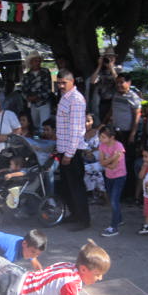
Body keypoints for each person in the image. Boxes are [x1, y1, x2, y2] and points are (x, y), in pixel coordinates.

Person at [56, 69, 91, 230]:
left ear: (72, 82)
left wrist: (69, 154)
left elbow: (76, 130)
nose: (61, 85)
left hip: (73, 151)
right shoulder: (65, 97)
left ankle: (83, 220)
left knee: (76, 187)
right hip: (63, 148)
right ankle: (75, 214)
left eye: (64, 82)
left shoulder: (76, 99)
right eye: (59, 82)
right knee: (66, 187)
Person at [105, 72, 142, 198]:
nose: (119, 85)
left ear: (129, 83)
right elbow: (111, 111)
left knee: (128, 163)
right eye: (118, 82)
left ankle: (129, 193)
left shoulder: (134, 97)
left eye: (122, 82)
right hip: (116, 133)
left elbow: (137, 116)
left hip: (128, 134)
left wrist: (132, 133)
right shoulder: (115, 95)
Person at [99, 125, 126, 237]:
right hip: (108, 176)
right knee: (112, 199)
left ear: (112, 137)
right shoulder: (102, 146)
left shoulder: (119, 146)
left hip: (119, 176)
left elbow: (114, 165)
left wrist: (107, 162)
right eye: (100, 136)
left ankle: (114, 227)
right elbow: (102, 162)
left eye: (103, 137)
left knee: (114, 200)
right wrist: (112, 158)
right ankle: (119, 219)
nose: (101, 139)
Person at [22, 51, 52, 131]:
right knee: (35, 125)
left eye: (39, 61)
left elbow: (48, 88)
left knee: (45, 125)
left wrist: (38, 96)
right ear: (31, 62)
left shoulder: (45, 72)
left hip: (44, 103)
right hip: (33, 105)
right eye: (35, 61)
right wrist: (28, 98)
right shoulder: (26, 76)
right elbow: (24, 90)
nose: (38, 63)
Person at [90, 46, 119, 123]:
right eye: (107, 57)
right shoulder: (101, 71)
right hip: (103, 102)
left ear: (114, 58)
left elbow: (119, 82)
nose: (109, 59)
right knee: (103, 124)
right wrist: (99, 66)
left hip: (114, 101)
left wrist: (111, 68)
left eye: (111, 57)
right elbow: (92, 81)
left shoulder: (118, 68)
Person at [83, 113, 106, 205]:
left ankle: (95, 193)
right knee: (91, 169)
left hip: (97, 157)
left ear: (92, 121)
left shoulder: (97, 133)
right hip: (84, 158)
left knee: (92, 168)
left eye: (88, 121)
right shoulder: (78, 134)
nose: (86, 123)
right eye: (84, 121)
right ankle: (100, 193)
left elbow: (102, 147)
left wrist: (91, 151)